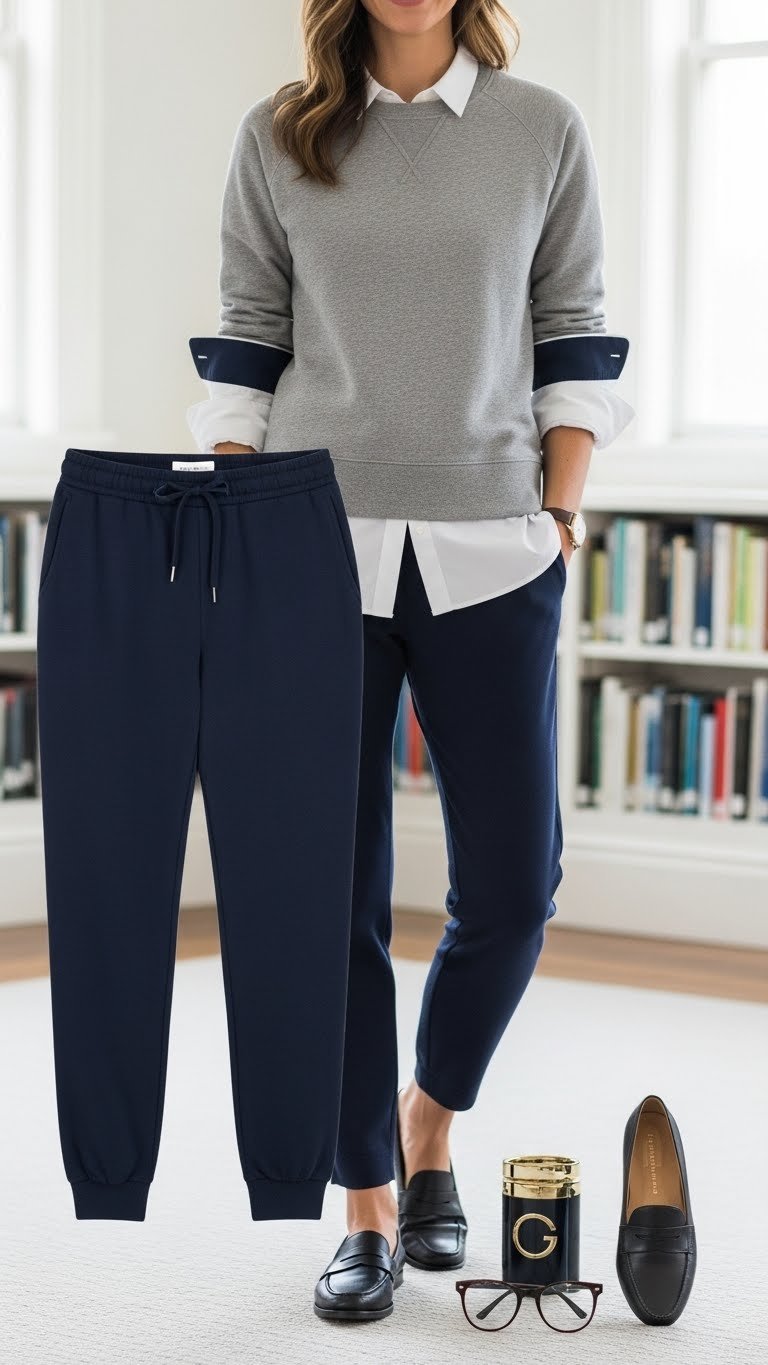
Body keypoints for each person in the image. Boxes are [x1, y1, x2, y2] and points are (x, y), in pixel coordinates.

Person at [187, 0, 634, 1322]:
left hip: (496, 547)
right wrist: (241, 524)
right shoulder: (281, 134)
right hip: (308, 545)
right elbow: (247, 336)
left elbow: (573, 326)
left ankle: (428, 1115)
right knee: (330, 893)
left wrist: (558, 515)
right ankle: (369, 1200)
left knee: (517, 883)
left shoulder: (541, 130)